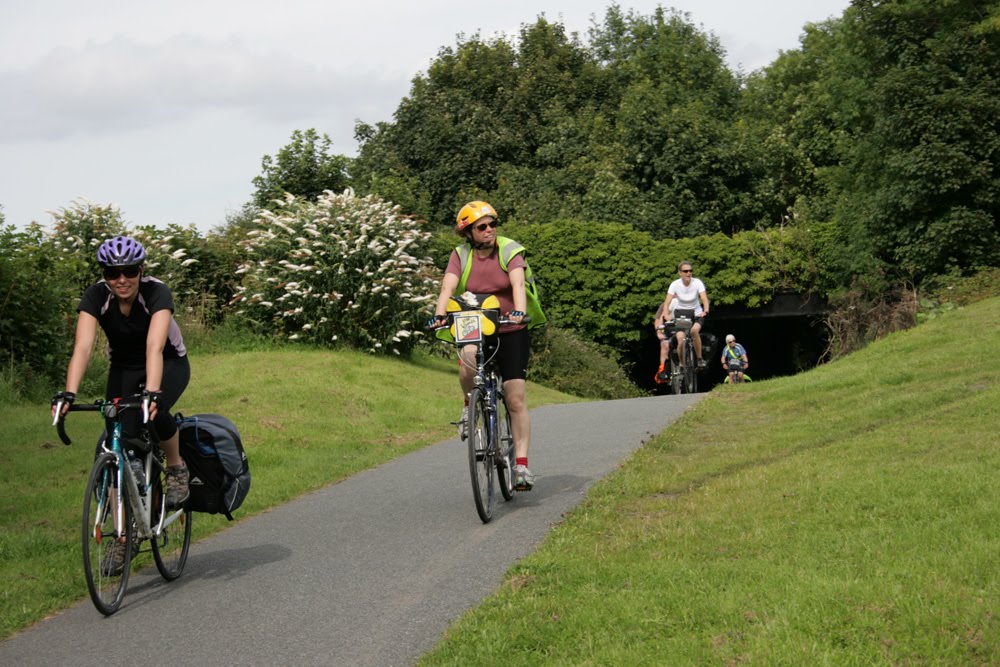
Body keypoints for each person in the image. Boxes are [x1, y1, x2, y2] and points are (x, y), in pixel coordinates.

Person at [51, 236, 191, 573]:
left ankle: (175, 468)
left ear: (141, 270)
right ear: (105, 275)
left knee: (154, 415)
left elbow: (155, 347)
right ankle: (123, 536)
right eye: (113, 273)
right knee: (110, 446)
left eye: (129, 271)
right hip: (124, 369)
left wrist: (153, 393)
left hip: (168, 363)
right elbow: (83, 348)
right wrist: (69, 393)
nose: (122, 279)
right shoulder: (96, 296)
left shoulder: (157, 292)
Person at [430, 201, 542, 491]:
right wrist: (440, 314)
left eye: (492, 224)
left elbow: (518, 284)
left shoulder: (509, 249)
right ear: (468, 232)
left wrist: (518, 311)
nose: (489, 230)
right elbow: (447, 287)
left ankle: (521, 466)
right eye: (482, 227)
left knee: (515, 398)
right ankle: (470, 405)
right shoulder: (460, 254)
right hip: (474, 321)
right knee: (468, 360)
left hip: (510, 325)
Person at [655, 261, 710, 370]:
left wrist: (706, 310)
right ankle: (681, 363)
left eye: (690, 271)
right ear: (680, 273)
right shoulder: (675, 284)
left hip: (696, 313)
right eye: (685, 271)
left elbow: (704, 298)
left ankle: (699, 359)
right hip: (681, 314)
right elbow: (667, 302)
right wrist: (666, 314)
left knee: (694, 331)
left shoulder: (697, 282)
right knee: (680, 339)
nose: (688, 273)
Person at [652, 301, 675, 384]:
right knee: (664, 344)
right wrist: (659, 332)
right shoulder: (665, 305)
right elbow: (658, 319)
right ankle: (663, 369)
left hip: (683, 329)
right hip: (669, 330)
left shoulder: (688, 301)